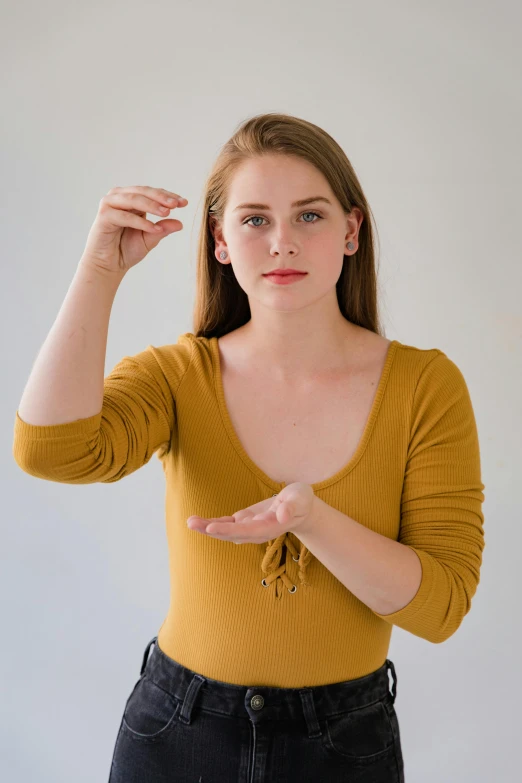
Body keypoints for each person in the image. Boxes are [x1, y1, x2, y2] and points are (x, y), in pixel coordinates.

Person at [13, 112, 485, 782]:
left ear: (352, 230)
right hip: (177, 732)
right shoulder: (179, 375)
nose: (282, 242)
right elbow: (48, 451)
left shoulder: (425, 386)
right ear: (221, 240)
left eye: (311, 216)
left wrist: (310, 519)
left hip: (345, 744)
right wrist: (99, 269)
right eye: (256, 218)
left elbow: (440, 607)